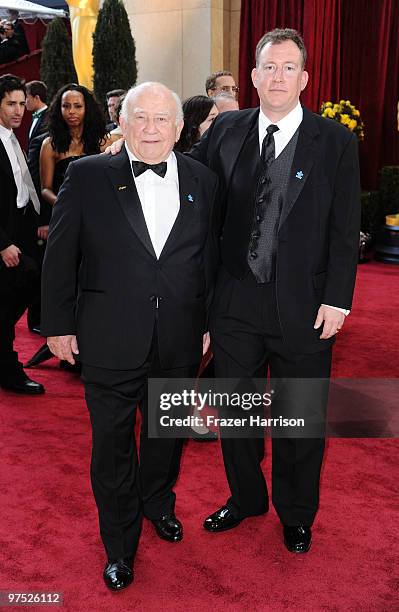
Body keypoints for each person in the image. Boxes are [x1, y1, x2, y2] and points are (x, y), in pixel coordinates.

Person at [41, 82, 218, 591]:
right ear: (123, 121)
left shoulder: (203, 181)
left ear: (180, 128)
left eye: (163, 120)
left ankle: (157, 503)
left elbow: (207, 259)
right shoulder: (88, 175)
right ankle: (120, 544)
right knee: (113, 448)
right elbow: (60, 257)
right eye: (141, 118)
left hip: (181, 338)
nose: (151, 129)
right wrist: (57, 325)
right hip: (109, 337)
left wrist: (206, 321)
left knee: (165, 437)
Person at [190, 28, 360, 553]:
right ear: (254, 76)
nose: (277, 76)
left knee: (300, 418)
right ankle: (245, 499)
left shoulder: (335, 141)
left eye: (289, 67)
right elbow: (192, 195)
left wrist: (338, 298)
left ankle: (296, 512)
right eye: (268, 67)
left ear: (305, 78)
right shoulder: (226, 131)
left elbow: (343, 227)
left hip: (306, 306)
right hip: (235, 301)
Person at [25, 83, 107, 368]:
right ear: (58, 109)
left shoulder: (104, 141)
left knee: (94, 280)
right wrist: (68, 204)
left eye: (78, 106)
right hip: (66, 221)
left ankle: (93, 344)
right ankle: (68, 347)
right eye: (66, 106)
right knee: (66, 279)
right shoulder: (50, 144)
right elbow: (45, 188)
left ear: (88, 108)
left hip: (101, 222)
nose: (71, 112)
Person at [0, 74, 44, 395]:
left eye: (21, 103)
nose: (19, 110)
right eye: (10, 103)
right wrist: (2, 244)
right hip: (4, 240)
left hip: (20, 231)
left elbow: (21, 190)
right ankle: (10, 370)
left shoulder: (13, 137)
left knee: (27, 285)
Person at [25, 80, 49, 332]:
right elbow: (37, 178)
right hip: (44, 211)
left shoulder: (46, 124)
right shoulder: (43, 136)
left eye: (24, 101)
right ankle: (38, 319)